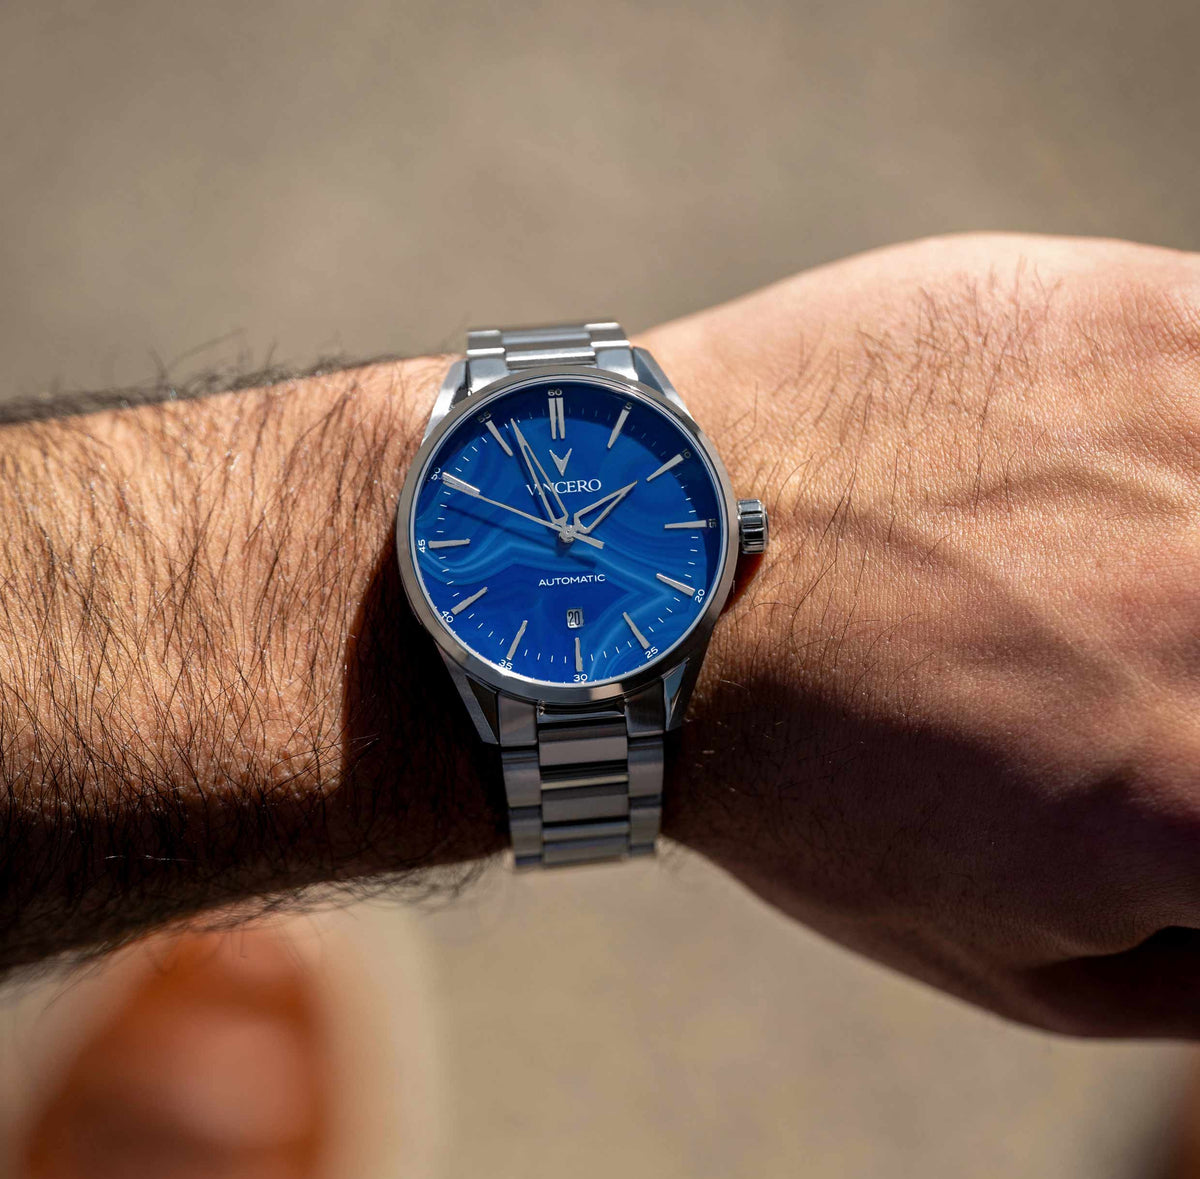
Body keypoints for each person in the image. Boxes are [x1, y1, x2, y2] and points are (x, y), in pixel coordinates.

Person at [4, 232, 1200, 1039]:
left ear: (740, 537)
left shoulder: (698, 543)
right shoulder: (538, 536)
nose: (575, 534)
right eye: (566, 521)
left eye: (596, 519)